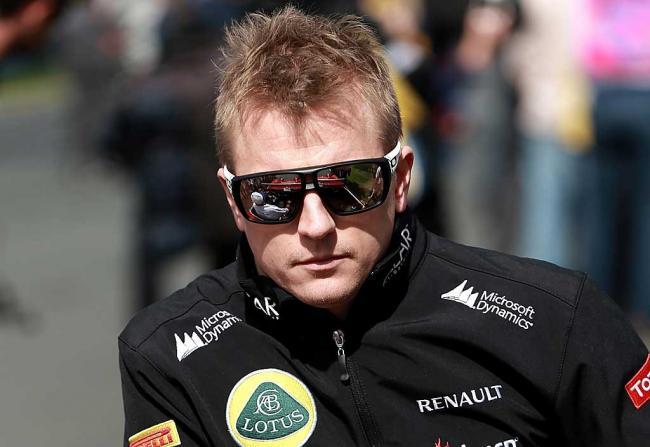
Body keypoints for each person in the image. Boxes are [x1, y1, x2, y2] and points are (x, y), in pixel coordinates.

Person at [118, 7, 649, 446]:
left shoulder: (556, 319)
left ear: (400, 181)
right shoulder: (168, 359)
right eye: (274, 195)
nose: (316, 225)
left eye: (349, 186)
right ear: (233, 200)